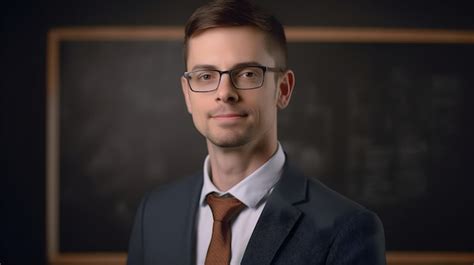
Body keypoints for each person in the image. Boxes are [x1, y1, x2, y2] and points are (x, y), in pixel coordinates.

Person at [127, 0, 386, 264]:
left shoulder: (346, 229)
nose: (225, 93)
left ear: (283, 90)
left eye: (248, 73)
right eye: (206, 76)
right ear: (187, 94)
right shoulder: (154, 213)